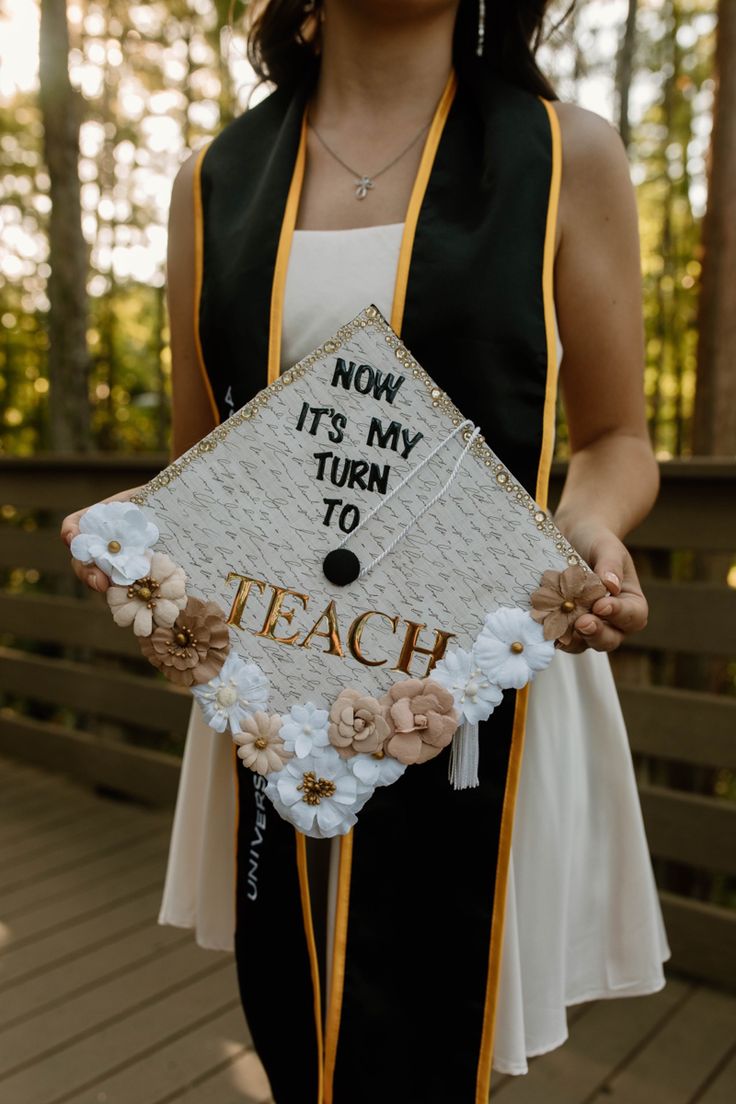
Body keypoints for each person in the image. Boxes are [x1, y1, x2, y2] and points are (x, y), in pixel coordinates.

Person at [61, 1, 671, 1100]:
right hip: (290, 665)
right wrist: (135, 530)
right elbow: (207, 460)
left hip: (479, 678)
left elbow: (617, 437)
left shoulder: (562, 154)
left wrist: (589, 525)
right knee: (304, 1034)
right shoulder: (215, 181)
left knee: (430, 1037)